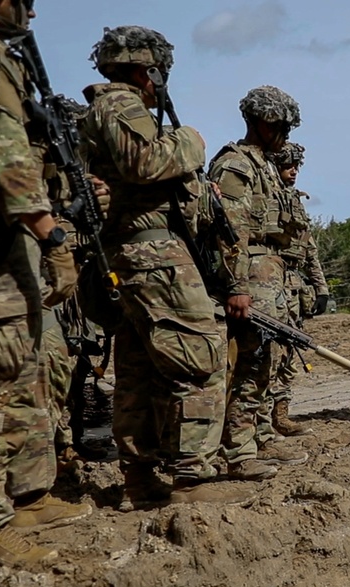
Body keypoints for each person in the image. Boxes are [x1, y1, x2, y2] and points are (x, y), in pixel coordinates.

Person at [81, 25, 269, 510]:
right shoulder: (121, 104)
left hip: (135, 256)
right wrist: (190, 142)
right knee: (199, 358)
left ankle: (140, 480)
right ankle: (192, 475)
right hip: (156, 255)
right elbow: (145, 164)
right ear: (149, 70)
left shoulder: (106, 110)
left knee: (140, 368)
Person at [0, 0, 89, 568]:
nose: (33, 11)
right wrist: (52, 235)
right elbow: (4, 151)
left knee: (19, 369)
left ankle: (20, 497)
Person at [209, 86, 310, 465]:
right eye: (281, 127)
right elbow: (231, 232)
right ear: (261, 124)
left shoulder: (263, 165)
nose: (286, 135)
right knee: (249, 365)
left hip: (268, 277)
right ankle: (238, 448)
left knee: (264, 363)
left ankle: (259, 436)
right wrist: (236, 286)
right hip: (249, 278)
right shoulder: (236, 165)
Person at [265, 142, 328, 437]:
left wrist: (321, 288)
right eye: (287, 165)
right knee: (269, 355)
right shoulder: (265, 198)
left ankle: (282, 414)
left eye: (297, 166)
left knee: (290, 353)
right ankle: (260, 421)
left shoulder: (296, 202)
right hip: (268, 282)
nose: (293, 171)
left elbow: (310, 250)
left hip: (293, 288)